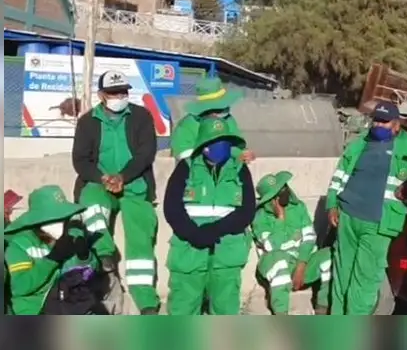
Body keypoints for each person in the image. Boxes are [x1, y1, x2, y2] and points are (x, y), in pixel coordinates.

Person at [71, 70, 160, 314]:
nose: (120, 96)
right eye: (113, 93)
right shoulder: (88, 121)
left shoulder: (141, 116)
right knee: (91, 204)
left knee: (141, 233)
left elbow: (146, 153)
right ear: (101, 95)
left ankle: (146, 301)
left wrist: (123, 176)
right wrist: (103, 178)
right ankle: (105, 253)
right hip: (100, 183)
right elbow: (80, 160)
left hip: (133, 184)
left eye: (123, 92)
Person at [326, 100, 407, 314]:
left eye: (385, 122)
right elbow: (340, 175)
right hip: (348, 217)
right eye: (376, 121)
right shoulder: (359, 143)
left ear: (397, 124)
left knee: (365, 280)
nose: (379, 125)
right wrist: (332, 204)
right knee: (342, 274)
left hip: (379, 223)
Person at [162, 117, 256, 314]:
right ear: (204, 145)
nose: (221, 146)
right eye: (215, 141)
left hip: (226, 254)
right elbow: (172, 208)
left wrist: (216, 229)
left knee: (225, 312)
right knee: (183, 310)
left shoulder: (239, 169)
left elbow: (247, 211)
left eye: (225, 141)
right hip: (189, 252)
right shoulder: (186, 168)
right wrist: (193, 234)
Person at [4, 186, 101, 315]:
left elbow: (90, 274)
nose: (60, 222)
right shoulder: (19, 244)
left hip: (68, 304)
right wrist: (52, 259)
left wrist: (84, 257)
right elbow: (19, 287)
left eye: (63, 217)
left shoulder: (69, 237)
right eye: (54, 218)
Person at [252, 171, 323, 315]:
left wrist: (301, 265)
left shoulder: (298, 208)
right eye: (279, 192)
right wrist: (280, 219)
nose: (285, 192)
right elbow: (272, 247)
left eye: (284, 187)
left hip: (300, 262)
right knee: (279, 262)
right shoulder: (260, 217)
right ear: (271, 199)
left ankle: (323, 308)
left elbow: (309, 237)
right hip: (275, 262)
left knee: (329, 256)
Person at [171, 77, 255, 163]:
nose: (217, 114)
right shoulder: (186, 125)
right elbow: (182, 154)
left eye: (220, 109)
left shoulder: (228, 119)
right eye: (215, 109)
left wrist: (245, 154)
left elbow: (237, 145)